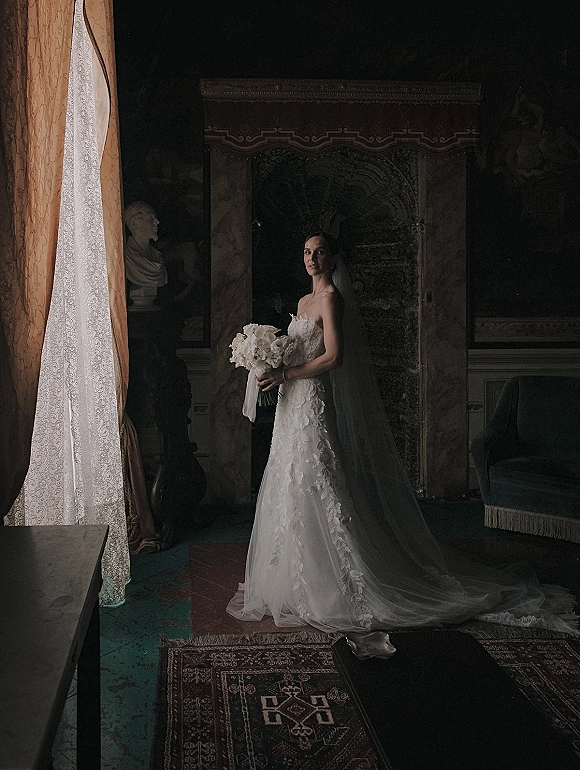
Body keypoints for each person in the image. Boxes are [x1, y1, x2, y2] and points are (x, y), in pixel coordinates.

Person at [226, 232, 579, 657]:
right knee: (287, 481)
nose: (312, 258)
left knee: (317, 480)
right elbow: (299, 352)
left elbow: (335, 357)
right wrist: (270, 362)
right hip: (291, 405)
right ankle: (293, 579)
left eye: (320, 252)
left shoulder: (331, 299)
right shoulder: (302, 303)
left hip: (313, 404)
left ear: (334, 258)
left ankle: (339, 582)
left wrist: (286, 375)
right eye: (306, 251)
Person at [124, 201, 167, 310]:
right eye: (150, 218)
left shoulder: (157, 257)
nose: (156, 222)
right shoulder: (126, 256)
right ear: (134, 223)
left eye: (155, 217)